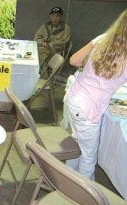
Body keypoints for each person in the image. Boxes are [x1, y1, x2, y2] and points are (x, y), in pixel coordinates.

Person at [64, 9, 127, 180]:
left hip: (74, 97)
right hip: (88, 108)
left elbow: (74, 61)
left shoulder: (101, 40)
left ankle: (68, 181)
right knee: (88, 157)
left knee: (77, 144)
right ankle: (84, 198)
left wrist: (93, 74)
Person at [34, 6, 71, 78]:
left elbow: (64, 43)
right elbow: (37, 37)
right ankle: (34, 73)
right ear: (50, 16)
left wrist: (50, 45)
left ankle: (43, 77)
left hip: (56, 51)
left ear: (61, 17)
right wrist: (41, 42)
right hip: (44, 47)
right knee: (34, 52)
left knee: (42, 52)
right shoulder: (45, 26)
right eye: (53, 15)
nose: (55, 18)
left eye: (57, 16)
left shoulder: (66, 28)